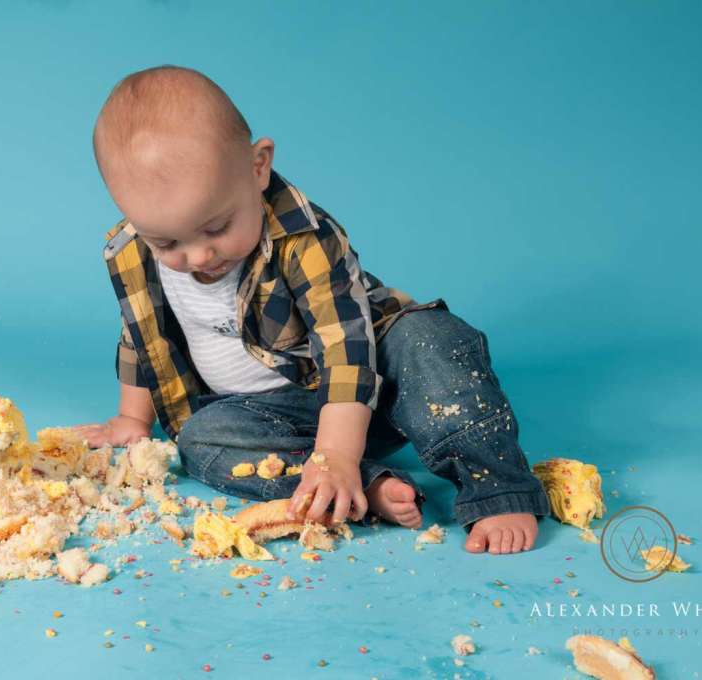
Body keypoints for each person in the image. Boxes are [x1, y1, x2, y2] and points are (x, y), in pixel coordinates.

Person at [74, 65, 549, 554]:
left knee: (431, 340)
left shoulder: (305, 239)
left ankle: (497, 488)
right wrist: (132, 418)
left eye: (216, 228)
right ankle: (356, 487)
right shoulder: (130, 252)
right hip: (275, 416)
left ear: (257, 167)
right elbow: (142, 337)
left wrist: (335, 452)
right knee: (201, 440)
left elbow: (345, 352)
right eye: (167, 242)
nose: (198, 256)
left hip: (375, 385)